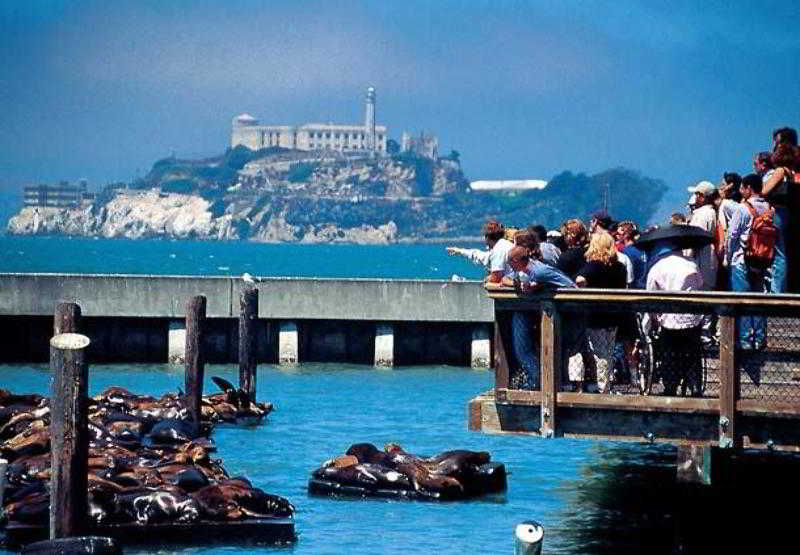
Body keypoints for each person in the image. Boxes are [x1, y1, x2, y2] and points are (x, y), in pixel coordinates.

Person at [637, 226, 708, 397]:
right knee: (693, 354)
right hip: (692, 318)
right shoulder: (691, 264)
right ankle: (695, 386)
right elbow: (700, 286)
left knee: (670, 354)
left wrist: (652, 320)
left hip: (670, 320)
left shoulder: (657, 268)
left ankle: (670, 387)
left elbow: (650, 297)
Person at [500, 244, 578, 390]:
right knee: (532, 350)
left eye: (510, 261)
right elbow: (505, 279)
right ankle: (541, 380)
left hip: (567, 310)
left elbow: (568, 285)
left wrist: (536, 286)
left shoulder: (539, 271)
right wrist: (517, 284)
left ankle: (543, 381)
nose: (509, 265)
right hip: (546, 311)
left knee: (564, 349)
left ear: (517, 260)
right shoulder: (525, 271)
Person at [575, 232, 627, 393]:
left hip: (595, 314)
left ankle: (602, 387)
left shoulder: (594, 265)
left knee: (599, 352)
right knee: (609, 351)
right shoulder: (620, 267)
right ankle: (607, 384)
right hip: (614, 313)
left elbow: (579, 280)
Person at [726, 174, 771, 351]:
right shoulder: (768, 208)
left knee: (742, 300)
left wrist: (727, 257)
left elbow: (732, 235)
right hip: (761, 260)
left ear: (749, 188)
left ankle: (745, 340)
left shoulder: (743, 209)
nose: (741, 191)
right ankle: (759, 338)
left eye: (742, 188)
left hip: (741, 259)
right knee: (758, 299)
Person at [447, 220, 513, 283]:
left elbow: (496, 278)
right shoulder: (504, 245)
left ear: (487, 238)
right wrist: (459, 251)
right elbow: (482, 256)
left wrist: (486, 279)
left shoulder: (498, 250)